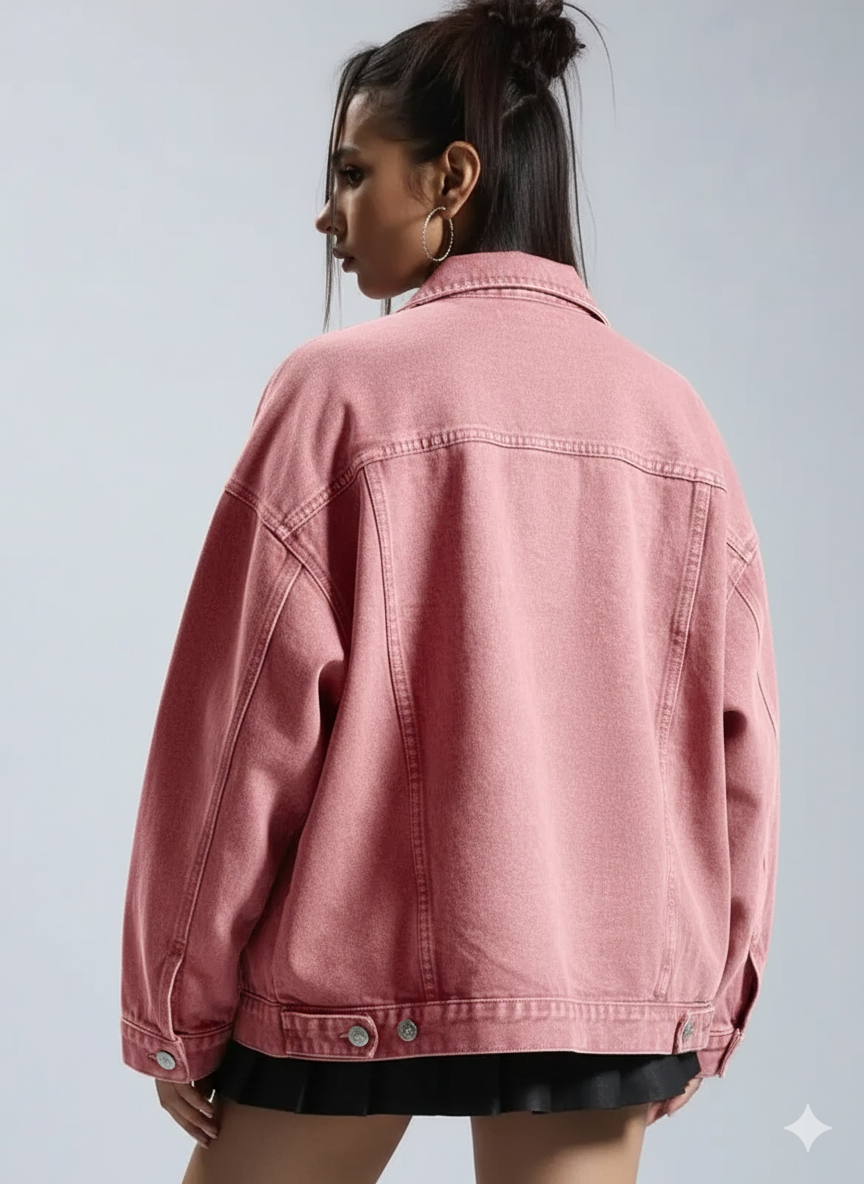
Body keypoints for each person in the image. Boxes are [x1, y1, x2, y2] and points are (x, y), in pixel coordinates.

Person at [120, 2, 781, 1182]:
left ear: (452, 178)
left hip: (347, 985)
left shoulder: (335, 393)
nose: (327, 214)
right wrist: (701, 998)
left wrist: (178, 1000)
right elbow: (742, 750)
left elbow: (236, 734)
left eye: (352, 172)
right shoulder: (676, 420)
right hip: (595, 995)